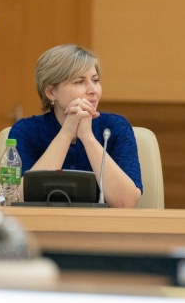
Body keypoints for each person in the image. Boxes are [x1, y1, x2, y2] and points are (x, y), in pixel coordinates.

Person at [9, 44, 142, 208]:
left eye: (95, 80)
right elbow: (18, 200)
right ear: (50, 92)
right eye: (79, 81)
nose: (93, 90)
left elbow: (125, 203)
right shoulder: (25, 131)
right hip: (42, 223)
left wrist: (88, 137)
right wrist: (65, 134)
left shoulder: (115, 127)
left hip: (101, 224)